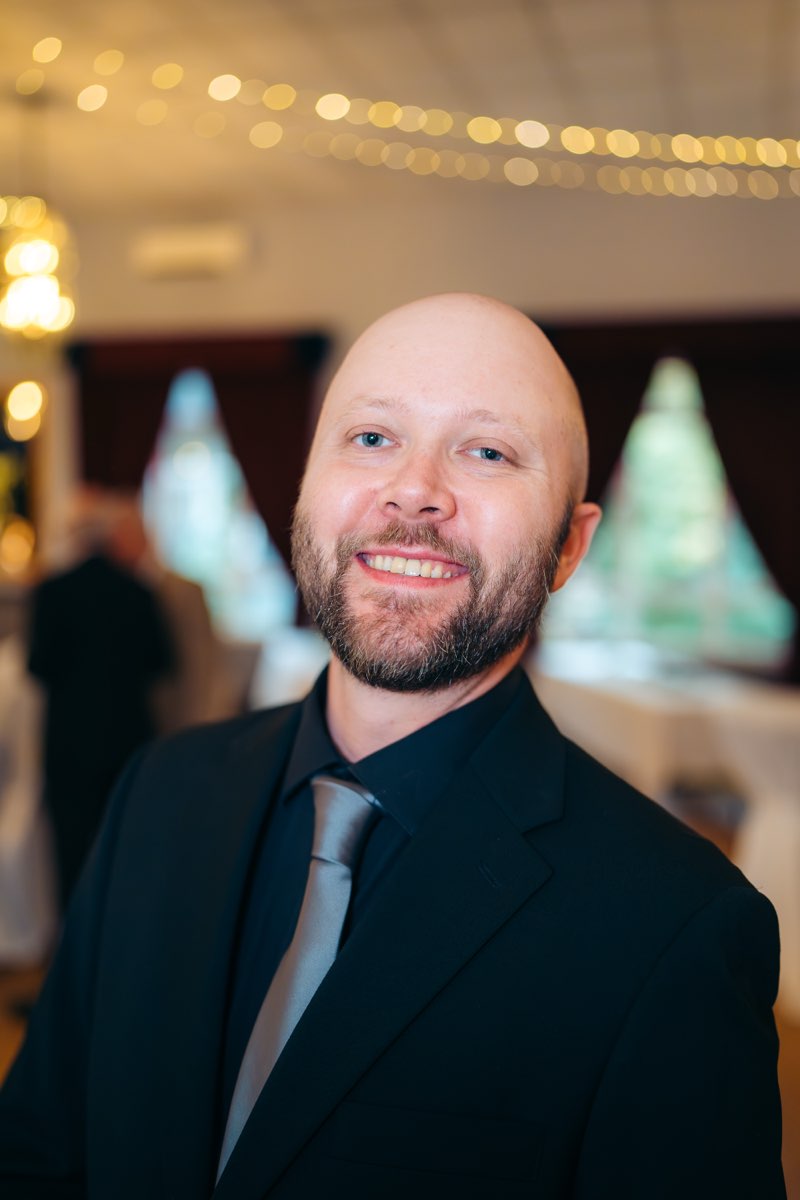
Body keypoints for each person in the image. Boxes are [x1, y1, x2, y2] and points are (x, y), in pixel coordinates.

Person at [0, 294, 784, 1197]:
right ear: (304, 487)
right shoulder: (161, 790)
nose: (414, 490)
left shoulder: (675, 926)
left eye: (487, 452)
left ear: (570, 547)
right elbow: (40, 1151)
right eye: (372, 438)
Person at [25, 487, 175, 910]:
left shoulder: (53, 590)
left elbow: (38, 666)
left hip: (68, 740)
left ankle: (73, 929)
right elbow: (160, 662)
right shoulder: (138, 592)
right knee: (124, 838)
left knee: (71, 847)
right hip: (128, 735)